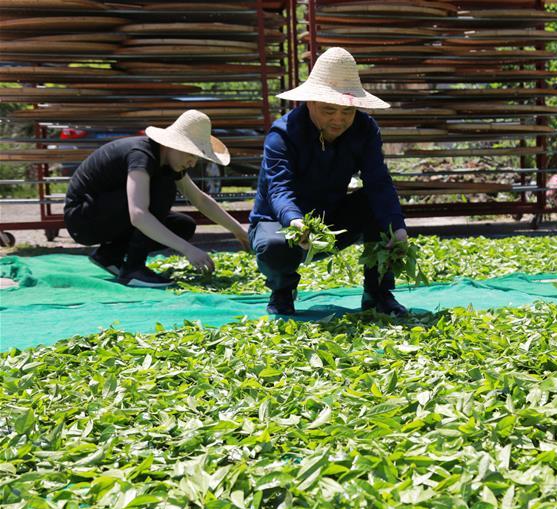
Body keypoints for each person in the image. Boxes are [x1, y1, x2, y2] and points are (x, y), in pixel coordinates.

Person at [249, 47, 409, 317]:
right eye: (329, 110)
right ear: (310, 102)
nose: (339, 119)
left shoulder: (365, 130)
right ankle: (282, 291)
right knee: (274, 247)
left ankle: (378, 293)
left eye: (347, 111)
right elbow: (279, 189)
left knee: (380, 211)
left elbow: (379, 182)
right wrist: (295, 222)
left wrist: (397, 227)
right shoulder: (283, 135)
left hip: (330, 217)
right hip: (279, 222)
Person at [64, 110, 250, 287]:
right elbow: (138, 214)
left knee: (183, 225)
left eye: (197, 158)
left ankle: (108, 256)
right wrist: (188, 250)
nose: (192, 163)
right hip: (83, 220)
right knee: (163, 188)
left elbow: (200, 200)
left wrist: (239, 231)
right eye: (190, 154)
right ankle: (133, 270)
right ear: (173, 145)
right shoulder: (142, 154)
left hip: (105, 212)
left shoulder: (166, 160)